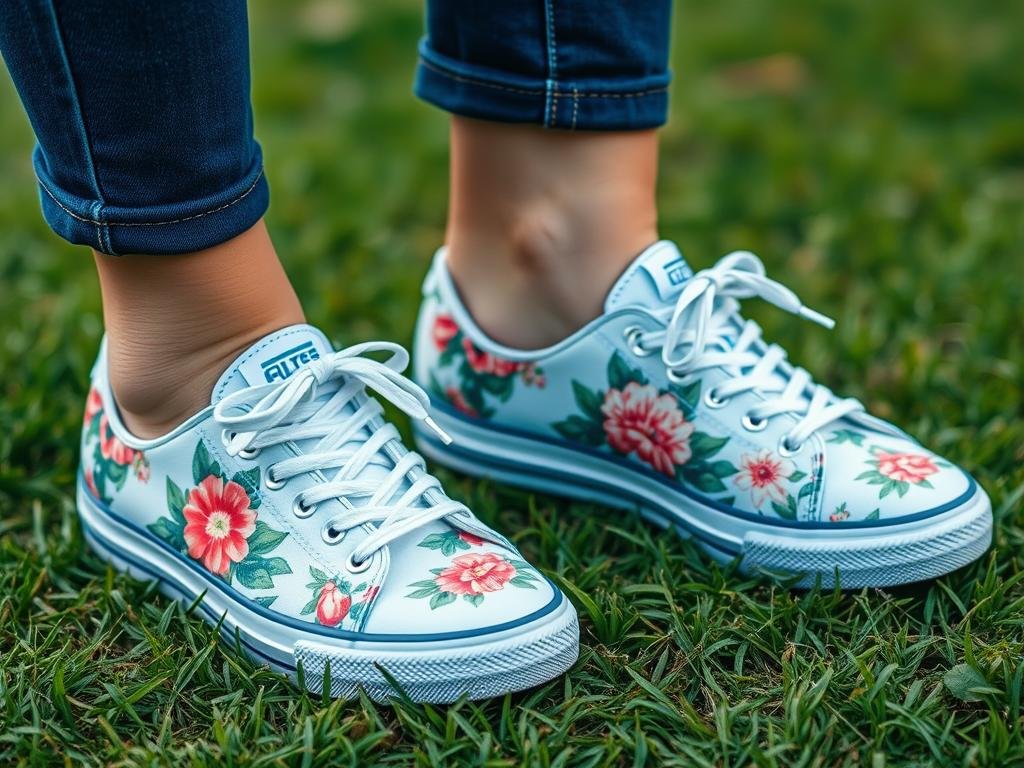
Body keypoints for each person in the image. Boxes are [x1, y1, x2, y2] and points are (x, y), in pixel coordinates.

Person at [0, 0, 991, 703]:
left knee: (564, 221)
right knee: (199, 323)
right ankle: (184, 371)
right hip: (177, 381)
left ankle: (550, 265)